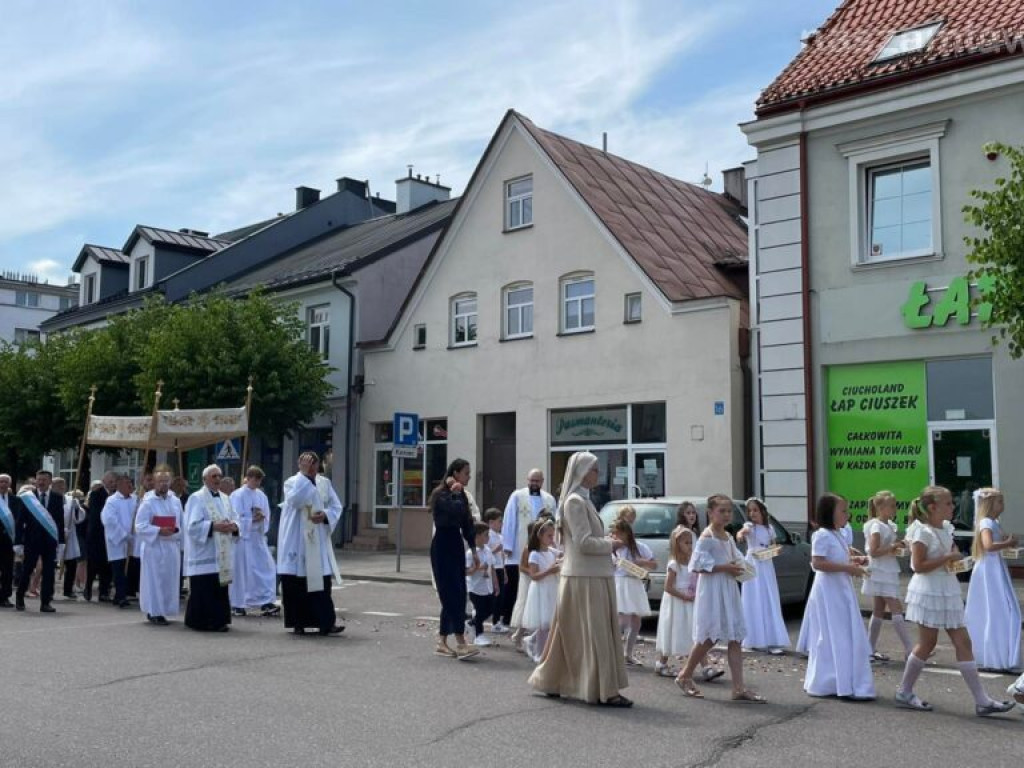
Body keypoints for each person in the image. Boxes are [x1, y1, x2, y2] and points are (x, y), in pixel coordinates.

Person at [895, 485, 1013, 715]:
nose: (953, 507)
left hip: (947, 588)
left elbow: (949, 555)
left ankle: (982, 700)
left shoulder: (947, 528)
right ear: (933, 507)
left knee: (963, 642)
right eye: (948, 503)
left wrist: (956, 562)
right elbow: (918, 566)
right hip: (929, 591)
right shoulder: (921, 532)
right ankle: (905, 691)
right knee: (927, 643)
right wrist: (948, 557)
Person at [528, 451, 631, 707]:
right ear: (583, 473)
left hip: (591, 574)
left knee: (571, 635)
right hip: (584, 576)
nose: (598, 474)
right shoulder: (575, 501)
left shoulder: (584, 500)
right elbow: (584, 542)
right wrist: (611, 544)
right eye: (594, 469)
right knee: (591, 634)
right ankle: (603, 690)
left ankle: (552, 680)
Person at [675, 494, 763, 703]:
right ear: (710, 513)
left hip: (728, 588)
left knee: (735, 637)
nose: (725, 515)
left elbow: (736, 558)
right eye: (721, 511)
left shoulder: (727, 536)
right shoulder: (707, 537)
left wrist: (740, 567)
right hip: (713, 590)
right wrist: (725, 567)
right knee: (708, 637)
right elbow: (696, 565)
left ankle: (738, 687)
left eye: (728, 511)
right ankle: (684, 675)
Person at [800, 493, 874, 700]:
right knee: (834, 633)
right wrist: (848, 568)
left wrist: (856, 560)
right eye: (842, 511)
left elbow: (838, 557)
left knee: (843, 632)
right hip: (829, 590)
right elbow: (818, 563)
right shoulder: (822, 535)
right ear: (829, 513)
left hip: (840, 587)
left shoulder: (837, 534)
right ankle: (830, 680)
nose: (847, 515)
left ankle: (845, 679)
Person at [276, 452, 344, 636]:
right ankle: (298, 623)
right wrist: (304, 476)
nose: (311, 467)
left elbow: (336, 506)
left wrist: (326, 515)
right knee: (297, 585)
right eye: (307, 464)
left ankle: (326, 623)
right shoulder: (292, 482)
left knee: (320, 584)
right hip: (297, 541)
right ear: (300, 465)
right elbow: (296, 501)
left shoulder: (325, 483)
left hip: (316, 539)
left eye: (313, 464)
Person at [654, 525, 725, 682]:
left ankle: (705, 667)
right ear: (677, 544)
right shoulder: (674, 565)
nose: (690, 546)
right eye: (686, 543)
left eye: (691, 543)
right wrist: (684, 596)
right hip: (677, 603)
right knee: (673, 631)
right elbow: (668, 587)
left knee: (695, 633)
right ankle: (662, 662)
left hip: (691, 601)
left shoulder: (692, 562)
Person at [964, 487, 1021, 672]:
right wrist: (1007, 543)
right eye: (999, 501)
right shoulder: (986, 522)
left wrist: (1004, 541)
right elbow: (988, 546)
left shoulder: (992, 522)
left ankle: (1000, 653)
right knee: (997, 609)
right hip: (990, 569)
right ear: (989, 504)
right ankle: (996, 654)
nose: (1002, 505)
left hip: (994, 567)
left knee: (999, 609)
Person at [429, 459, 479, 659]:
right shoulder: (440, 494)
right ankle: (460, 640)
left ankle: (442, 641)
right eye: (466, 473)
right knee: (452, 593)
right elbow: (451, 514)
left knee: (458, 590)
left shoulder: (462, 496)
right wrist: (455, 492)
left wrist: (474, 550)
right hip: (442, 545)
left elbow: (467, 523)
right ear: (455, 473)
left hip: (456, 544)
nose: (469, 477)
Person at [183, 465, 239, 632]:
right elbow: (192, 526)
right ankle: (200, 621)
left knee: (219, 589)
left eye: (219, 476)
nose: (217, 479)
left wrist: (234, 526)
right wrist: (214, 526)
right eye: (214, 476)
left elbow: (235, 517)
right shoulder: (196, 498)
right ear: (205, 479)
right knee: (204, 588)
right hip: (205, 551)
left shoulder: (225, 497)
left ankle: (219, 620)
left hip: (221, 553)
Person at [501, 469, 556, 629]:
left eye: (537, 481)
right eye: (532, 481)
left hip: (541, 548)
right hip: (520, 547)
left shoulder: (549, 499)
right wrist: (508, 545)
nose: (534, 484)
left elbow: (554, 522)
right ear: (527, 480)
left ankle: (534, 623)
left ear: (542, 481)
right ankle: (509, 619)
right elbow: (509, 519)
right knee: (516, 586)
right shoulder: (517, 496)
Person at [862, 490, 913, 662]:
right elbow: (874, 551)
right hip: (880, 570)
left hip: (886, 568)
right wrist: (893, 547)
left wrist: (898, 547)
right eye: (892, 505)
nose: (895, 508)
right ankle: (909, 649)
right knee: (895, 607)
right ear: (881, 507)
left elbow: (884, 549)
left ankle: (869, 649)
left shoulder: (888, 525)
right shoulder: (876, 526)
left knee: (878, 609)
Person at [736, 497, 789, 655]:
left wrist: (775, 550)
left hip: (766, 564)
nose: (752, 513)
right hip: (752, 563)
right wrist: (740, 534)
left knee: (768, 598)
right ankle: (754, 639)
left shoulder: (769, 528)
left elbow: (774, 547)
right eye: (750, 511)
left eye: (755, 510)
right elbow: (742, 532)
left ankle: (772, 639)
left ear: (762, 512)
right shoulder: (749, 526)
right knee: (754, 598)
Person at [229, 466, 279, 618]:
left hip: (257, 539)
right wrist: (250, 519)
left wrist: (262, 518)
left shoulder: (261, 496)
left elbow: (267, 515)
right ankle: (238, 604)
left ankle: (266, 601)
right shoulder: (237, 495)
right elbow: (234, 516)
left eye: (259, 480)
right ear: (248, 478)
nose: (257, 482)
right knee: (242, 573)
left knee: (267, 569)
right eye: (255, 479)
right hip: (243, 540)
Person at [134, 467, 182, 625]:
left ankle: (166, 610)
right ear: (154, 482)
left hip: (170, 546)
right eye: (160, 481)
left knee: (169, 580)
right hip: (154, 546)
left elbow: (181, 522)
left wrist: (176, 531)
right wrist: (159, 530)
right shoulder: (147, 503)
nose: (164, 484)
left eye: (166, 481)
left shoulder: (175, 501)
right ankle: (154, 611)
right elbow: (140, 526)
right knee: (155, 580)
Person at [15, 471, 65, 613]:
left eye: (44, 480)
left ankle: (45, 602)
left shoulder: (57, 498)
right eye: (39, 480)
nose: (41, 482)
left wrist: (61, 542)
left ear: (50, 482)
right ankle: (20, 597)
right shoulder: (28, 498)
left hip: (50, 541)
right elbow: (20, 522)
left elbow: (59, 522)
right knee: (27, 570)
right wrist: (18, 542)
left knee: (49, 572)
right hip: (32, 540)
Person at [610, 515, 655, 666]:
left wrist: (642, 563)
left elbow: (654, 563)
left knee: (636, 621)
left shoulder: (640, 547)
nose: (616, 537)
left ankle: (628, 653)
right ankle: (614, 652)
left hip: (634, 584)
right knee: (621, 618)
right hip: (620, 584)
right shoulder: (613, 549)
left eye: (619, 534)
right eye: (614, 534)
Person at [522, 517, 561, 662]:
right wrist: (550, 570)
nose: (552, 538)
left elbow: (564, 555)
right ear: (540, 536)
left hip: (551, 588)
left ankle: (532, 641)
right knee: (543, 623)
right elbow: (533, 576)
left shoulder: (552, 551)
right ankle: (540, 653)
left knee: (549, 622)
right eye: (549, 536)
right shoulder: (534, 554)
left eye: (553, 535)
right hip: (540, 590)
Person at [101, 475, 136, 608]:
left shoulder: (135, 500)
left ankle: (125, 593)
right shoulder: (112, 501)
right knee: (119, 570)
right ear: (119, 485)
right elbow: (109, 520)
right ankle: (120, 596)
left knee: (130, 568)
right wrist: (123, 535)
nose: (130, 486)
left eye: (131, 483)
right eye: (127, 484)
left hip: (132, 539)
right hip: (117, 541)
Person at [84, 472, 116, 602]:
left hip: (109, 536)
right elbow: (96, 514)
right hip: (96, 534)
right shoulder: (97, 494)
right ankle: (88, 588)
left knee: (106, 566)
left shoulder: (115, 496)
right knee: (93, 564)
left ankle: (104, 591)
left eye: (114, 481)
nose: (113, 484)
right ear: (105, 481)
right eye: (111, 481)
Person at [465, 521, 497, 647]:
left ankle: (472, 623)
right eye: (485, 535)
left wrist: (496, 583)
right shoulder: (470, 553)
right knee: (480, 610)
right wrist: (477, 568)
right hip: (475, 587)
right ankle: (479, 635)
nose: (488, 537)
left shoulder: (488, 550)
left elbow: (492, 567)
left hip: (487, 587)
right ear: (477, 536)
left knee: (490, 609)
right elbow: (466, 571)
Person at [54, 477, 86, 600]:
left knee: (71, 564)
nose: (61, 488)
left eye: (63, 485)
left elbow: (79, 519)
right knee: (52, 563)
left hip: (70, 536)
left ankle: (68, 589)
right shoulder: (50, 499)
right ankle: (49, 589)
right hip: (55, 534)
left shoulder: (70, 500)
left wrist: (77, 508)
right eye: (58, 485)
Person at [482, 507, 507, 634]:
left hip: (500, 568)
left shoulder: (500, 536)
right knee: (494, 596)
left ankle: (496, 622)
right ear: (491, 522)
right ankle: (486, 619)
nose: (501, 524)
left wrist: (505, 571)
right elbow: (485, 554)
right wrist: (495, 550)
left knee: (501, 596)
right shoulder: (488, 535)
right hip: (493, 569)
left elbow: (502, 556)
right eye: (499, 521)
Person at [0, 474, 24, 608]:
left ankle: (5, 596)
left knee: (7, 570)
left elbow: (19, 521)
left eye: (5, 482)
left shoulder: (16, 500)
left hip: (9, 540)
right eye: (1, 482)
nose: (3, 484)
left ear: (9, 484)